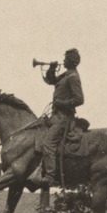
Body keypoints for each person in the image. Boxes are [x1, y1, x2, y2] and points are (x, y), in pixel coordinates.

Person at [36, 48, 84, 187]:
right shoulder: (66, 75)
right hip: (56, 116)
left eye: (66, 59)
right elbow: (52, 81)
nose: (63, 61)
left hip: (64, 118)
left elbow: (79, 99)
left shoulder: (73, 77)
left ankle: (50, 177)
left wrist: (61, 103)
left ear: (71, 61)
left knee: (48, 144)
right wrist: (51, 69)